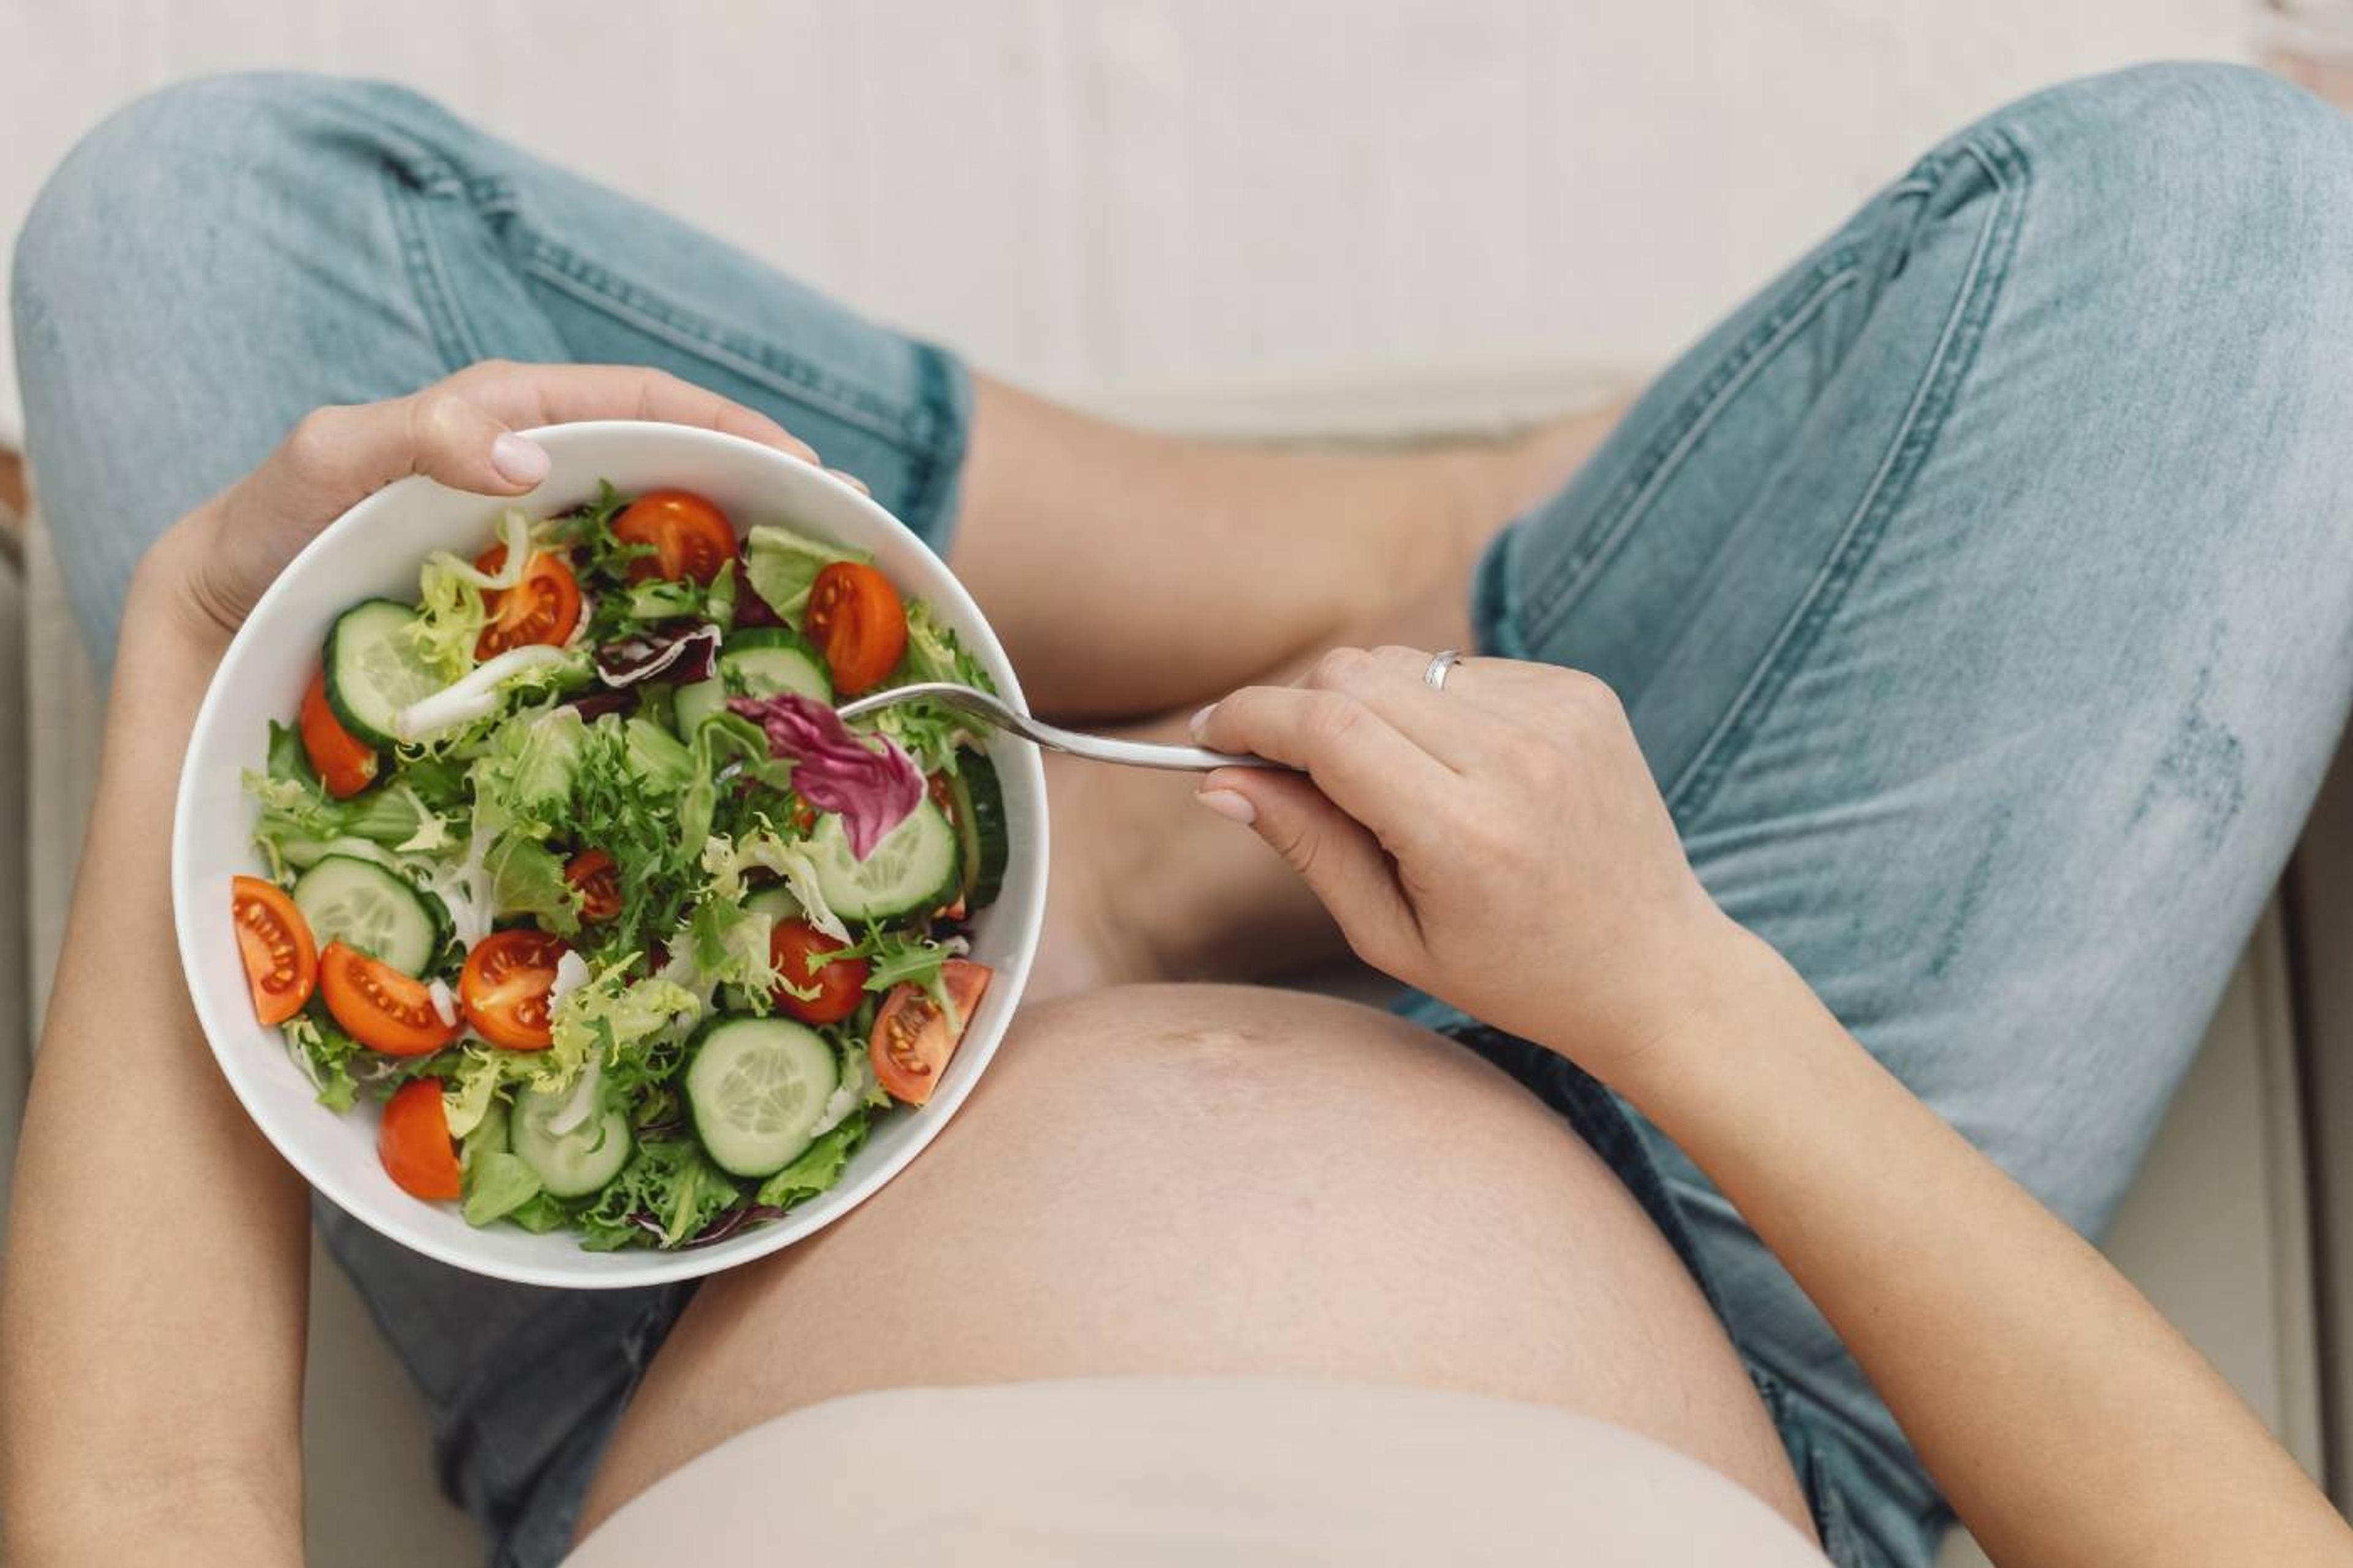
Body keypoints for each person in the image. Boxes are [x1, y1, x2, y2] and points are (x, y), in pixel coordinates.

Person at [4, 61, 2351, 1568]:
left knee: (178, 229)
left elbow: (154, 1499)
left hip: (661, 1325)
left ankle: (1160, 821)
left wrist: (205, 636)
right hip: (1744, 1291)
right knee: (2241, 217)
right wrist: (1681, 1001)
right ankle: (1400, 574)